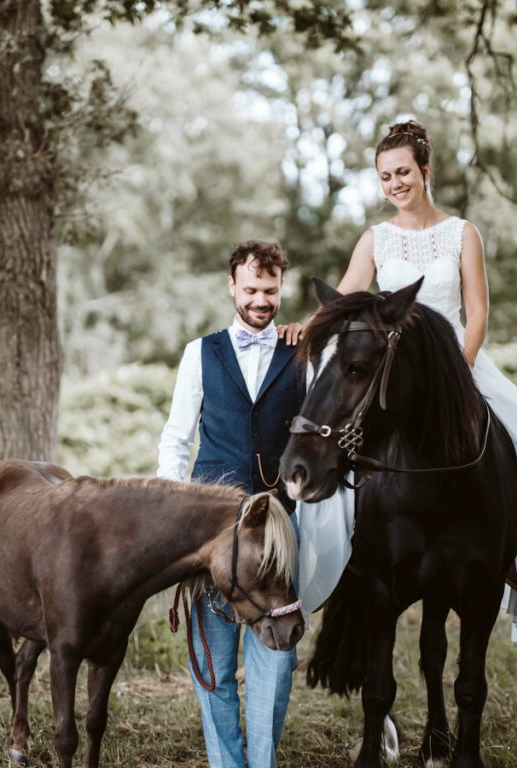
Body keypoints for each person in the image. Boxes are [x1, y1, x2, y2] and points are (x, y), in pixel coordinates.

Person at [283, 120, 517, 641]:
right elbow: (344, 303)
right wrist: (307, 324)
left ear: (426, 171)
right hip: (393, 372)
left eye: (403, 171)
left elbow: (476, 314)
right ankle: (339, 563)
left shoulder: (462, 233)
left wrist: (462, 372)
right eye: (385, 176)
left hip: (458, 365)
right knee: (339, 441)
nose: (394, 184)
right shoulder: (375, 239)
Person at [157, 240, 303, 767]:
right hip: (209, 531)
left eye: (270, 290)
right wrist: (173, 515)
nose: (261, 300)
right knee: (212, 662)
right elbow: (176, 439)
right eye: (251, 289)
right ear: (231, 287)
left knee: (274, 662)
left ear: (282, 287)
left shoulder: (301, 351)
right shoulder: (201, 352)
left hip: (278, 531)